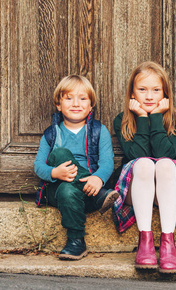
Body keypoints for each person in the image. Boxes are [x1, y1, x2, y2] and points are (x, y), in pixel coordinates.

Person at [112, 61, 176, 273]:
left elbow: (164, 153)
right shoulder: (122, 120)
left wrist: (155, 117)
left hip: (167, 190)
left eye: (156, 90)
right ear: (132, 93)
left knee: (165, 164)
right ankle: (145, 243)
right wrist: (142, 118)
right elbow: (136, 155)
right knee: (144, 164)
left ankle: (168, 244)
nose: (148, 96)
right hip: (136, 189)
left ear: (165, 93)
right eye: (142, 90)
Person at [34, 75, 118, 260]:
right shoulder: (51, 133)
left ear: (90, 107)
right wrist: (54, 172)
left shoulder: (99, 130)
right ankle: (98, 202)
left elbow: (107, 162)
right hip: (58, 191)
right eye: (68, 98)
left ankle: (75, 242)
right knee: (62, 156)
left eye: (82, 98)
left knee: (68, 189)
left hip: (89, 191)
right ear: (58, 104)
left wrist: (98, 178)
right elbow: (38, 166)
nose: (76, 103)